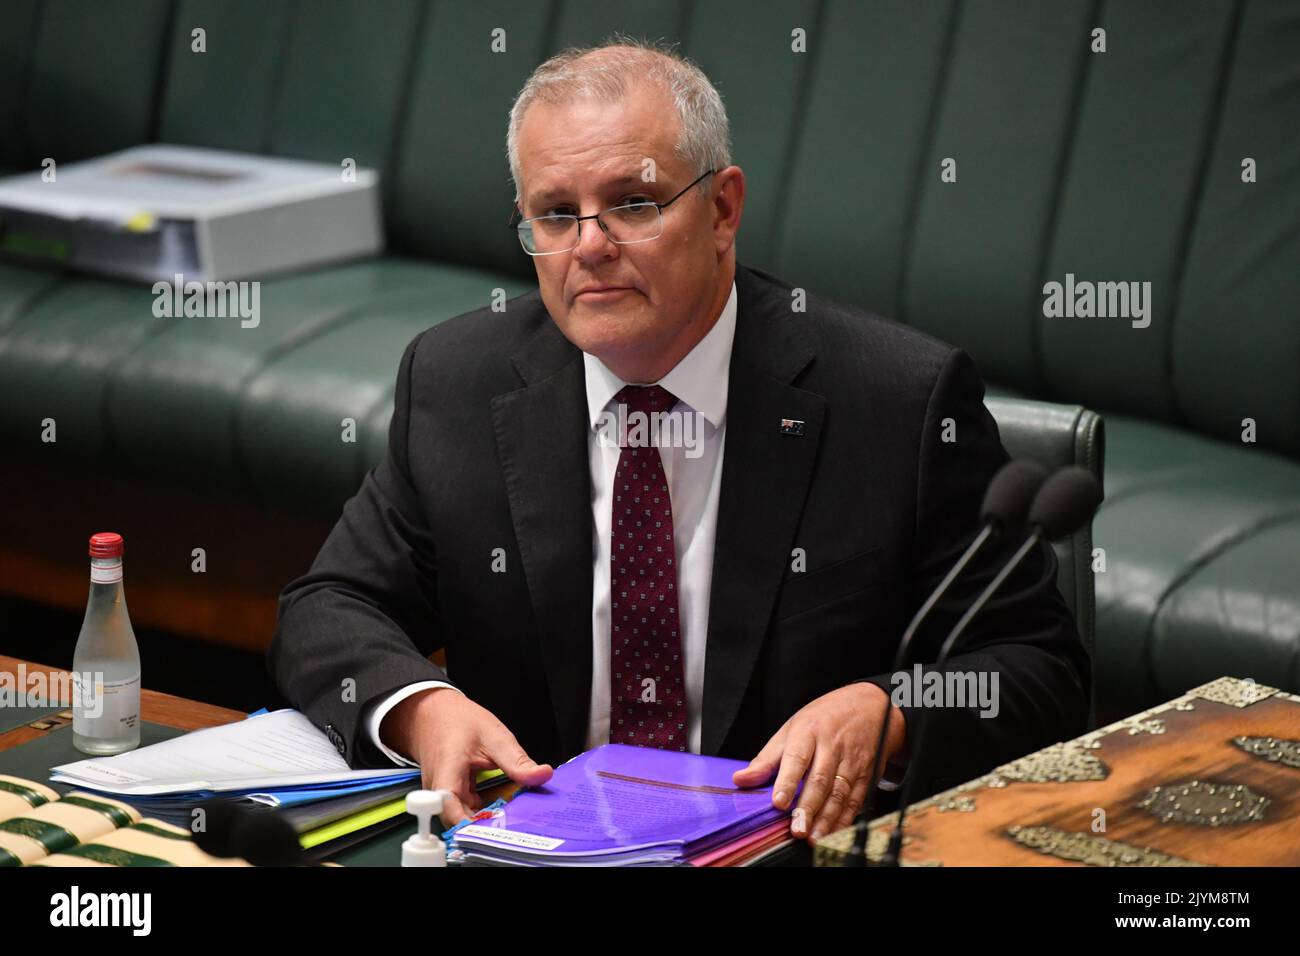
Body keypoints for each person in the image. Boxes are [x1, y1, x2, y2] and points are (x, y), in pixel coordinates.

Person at [268, 38, 1090, 845]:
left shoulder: (899, 402)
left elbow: (1038, 669)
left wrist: (892, 708)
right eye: (556, 213)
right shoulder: (458, 384)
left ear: (723, 208)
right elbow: (328, 608)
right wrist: (421, 706)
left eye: (634, 201)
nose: (590, 245)